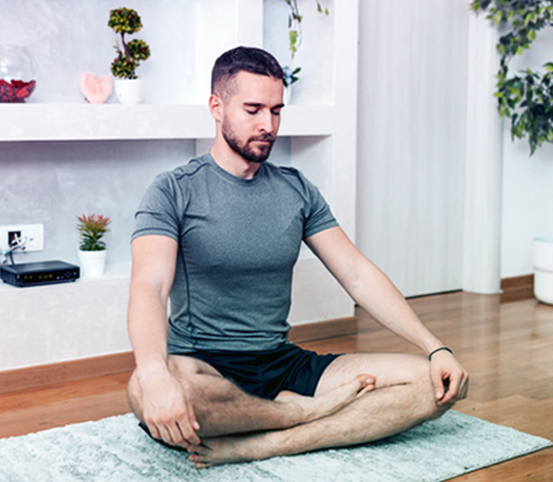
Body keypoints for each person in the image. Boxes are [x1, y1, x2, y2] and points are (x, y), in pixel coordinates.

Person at [126, 46, 469, 469]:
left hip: (281, 362)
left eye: (276, 110)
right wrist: (158, 375)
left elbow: (356, 273)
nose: (267, 125)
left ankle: (270, 441)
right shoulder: (173, 191)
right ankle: (299, 412)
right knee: (143, 389)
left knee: (429, 385)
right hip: (203, 365)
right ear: (216, 107)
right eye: (253, 109)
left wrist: (435, 348)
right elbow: (150, 284)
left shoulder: (296, 189)